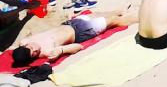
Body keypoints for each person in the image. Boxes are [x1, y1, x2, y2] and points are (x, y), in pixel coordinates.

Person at [8, 7, 137, 67]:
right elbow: (78, 46)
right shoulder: (47, 52)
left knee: (100, 13)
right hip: (81, 31)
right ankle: (141, 17)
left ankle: (120, 10)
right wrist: (61, 50)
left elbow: (15, 49)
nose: (36, 51)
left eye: (32, 48)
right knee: (113, 21)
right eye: (33, 55)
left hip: (70, 23)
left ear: (25, 45)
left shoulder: (24, 41)